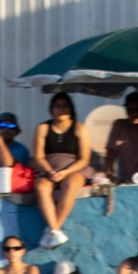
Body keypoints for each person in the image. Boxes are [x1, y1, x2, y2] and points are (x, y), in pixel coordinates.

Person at [33, 93, 91, 248]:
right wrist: (49, 171)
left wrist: (65, 172)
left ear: (71, 109)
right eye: (57, 106)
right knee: (41, 187)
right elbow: (38, 156)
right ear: (51, 109)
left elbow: (84, 158)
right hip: (48, 168)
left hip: (73, 169)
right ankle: (55, 231)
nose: (61, 109)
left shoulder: (79, 128)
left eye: (65, 106)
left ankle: (53, 230)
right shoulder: (43, 128)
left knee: (71, 185)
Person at [103, 90, 138, 186]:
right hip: (125, 183)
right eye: (130, 110)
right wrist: (110, 176)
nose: (133, 114)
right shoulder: (120, 125)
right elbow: (110, 155)